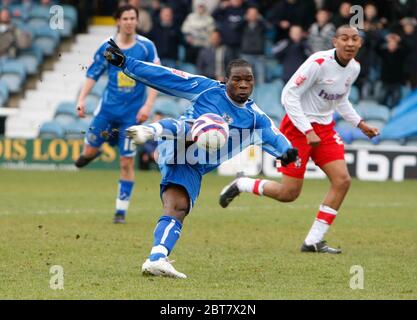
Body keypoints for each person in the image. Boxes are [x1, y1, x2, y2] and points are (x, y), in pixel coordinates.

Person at [103, 40, 299, 278]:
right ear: (225, 80)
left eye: (248, 80)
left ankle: (156, 258)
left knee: (178, 207)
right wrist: (126, 63)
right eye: (237, 79)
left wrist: (287, 152)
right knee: (199, 126)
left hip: (192, 165)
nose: (243, 84)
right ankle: (150, 131)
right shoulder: (207, 89)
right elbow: (166, 76)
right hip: (174, 142)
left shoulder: (255, 118)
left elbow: (275, 137)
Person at [219, 25, 380, 254]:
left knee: (342, 180)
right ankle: (243, 183)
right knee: (289, 194)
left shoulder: (354, 68)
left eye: (355, 39)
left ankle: (313, 241)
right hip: (297, 128)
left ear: (360, 44)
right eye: (345, 38)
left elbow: (340, 100)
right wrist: (306, 129)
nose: (350, 43)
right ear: (335, 42)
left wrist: (360, 124)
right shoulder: (318, 63)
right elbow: (288, 95)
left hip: (324, 129)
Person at [74, 4, 160, 224]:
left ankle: (120, 211)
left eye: (133, 18)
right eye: (126, 18)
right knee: (88, 152)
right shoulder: (107, 47)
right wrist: (81, 99)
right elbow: (93, 74)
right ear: (118, 21)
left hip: (132, 117)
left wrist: (148, 106)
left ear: (137, 21)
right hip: (107, 113)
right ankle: (94, 151)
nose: (130, 22)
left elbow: (155, 77)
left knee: (126, 163)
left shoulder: (146, 47)